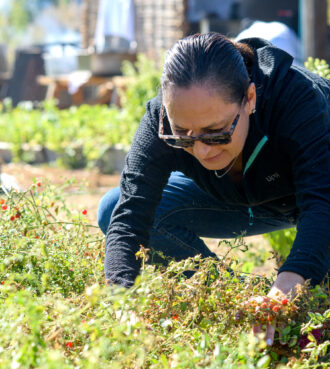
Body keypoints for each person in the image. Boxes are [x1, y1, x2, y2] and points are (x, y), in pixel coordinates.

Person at [97, 33, 330, 345]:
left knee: (314, 299)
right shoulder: (160, 121)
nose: (203, 151)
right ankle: (237, 301)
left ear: (250, 98)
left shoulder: (295, 99)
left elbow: (322, 202)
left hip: (318, 193)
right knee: (112, 208)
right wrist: (120, 302)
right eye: (183, 135)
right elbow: (129, 218)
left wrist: (293, 277)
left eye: (216, 133)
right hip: (245, 199)